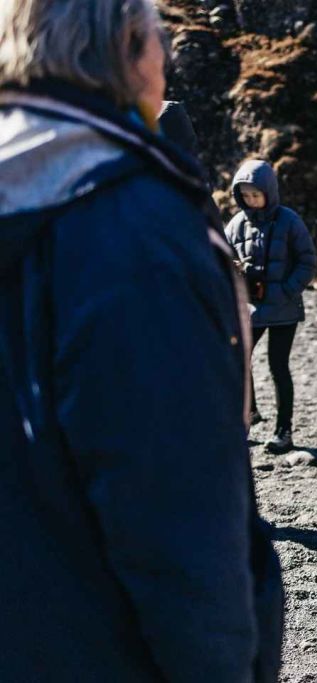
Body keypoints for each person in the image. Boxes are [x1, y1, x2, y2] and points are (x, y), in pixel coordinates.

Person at [0, 1, 283, 681]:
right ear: (127, 45)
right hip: (96, 643)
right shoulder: (133, 226)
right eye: (161, 37)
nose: (168, 58)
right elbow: (172, 510)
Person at [225, 159, 316, 454]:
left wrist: (285, 290)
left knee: (278, 366)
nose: (251, 200)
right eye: (245, 195)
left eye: (256, 194)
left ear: (269, 191)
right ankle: (248, 413)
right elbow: (223, 259)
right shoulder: (235, 224)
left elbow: (307, 262)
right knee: (238, 358)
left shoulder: (290, 221)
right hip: (250, 308)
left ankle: (283, 431)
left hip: (284, 310)